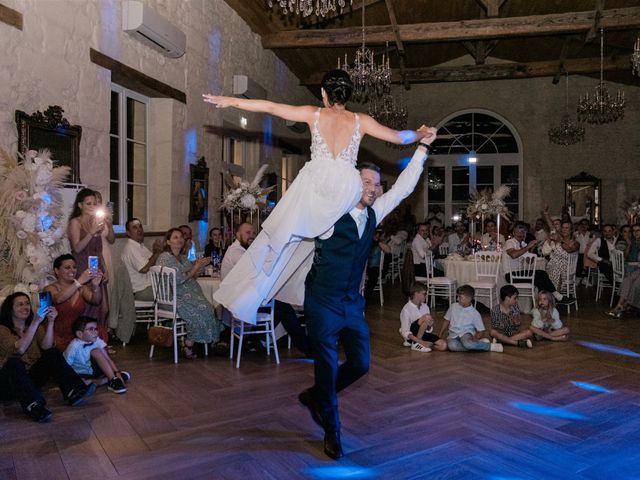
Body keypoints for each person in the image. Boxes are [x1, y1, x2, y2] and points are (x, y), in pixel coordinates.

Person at [204, 69, 437, 325]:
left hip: (316, 184)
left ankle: (260, 286)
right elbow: (398, 137)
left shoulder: (313, 113)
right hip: (346, 185)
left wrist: (231, 101)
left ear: (324, 94)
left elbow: (271, 107)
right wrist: (421, 134)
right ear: (348, 95)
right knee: (328, 231)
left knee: (285, 239)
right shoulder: (360, 120)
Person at [298, 141, 436, 459]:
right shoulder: (330, 215)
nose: (372, 189)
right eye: (366, 183)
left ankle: (317, 395)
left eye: (376, 184)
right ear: (351, 183)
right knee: (328, 366)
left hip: (351, 304)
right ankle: (332, 431)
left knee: (361, 364)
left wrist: (422, 150)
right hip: (321, 302)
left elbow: (402, 188)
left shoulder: (374, 215)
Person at [0, 292, 96, 423]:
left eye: (27, 303)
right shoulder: (2, 329)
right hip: (8, 383)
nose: (25, 307)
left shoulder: (35, 326)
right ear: (10, 309)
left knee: (52, 353)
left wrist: (50, 322)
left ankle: (73, 391)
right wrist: (35, 322)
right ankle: (34, 406)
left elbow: (47, 346)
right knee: (14, 362)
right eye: (20, 304)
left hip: (30, 379)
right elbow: (19, 349)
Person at [157, 228, 226, 359]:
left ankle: (212, 341)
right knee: (204, 308)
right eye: (175, 237)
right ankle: (189, 343)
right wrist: (195, 267)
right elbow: (178, 280)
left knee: (209, 307)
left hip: (189, 294)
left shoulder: (183, 257)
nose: (179, 239)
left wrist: (200, 267)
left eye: (181, 237)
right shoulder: (165, 258)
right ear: (168, 242)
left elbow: (191, 276)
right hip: (175, 297)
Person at [67, 188, 110, 342]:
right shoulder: (75, 222)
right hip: (82, 265)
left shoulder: (96, 222)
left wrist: (104, 269)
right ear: (80, 205)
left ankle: (100, 340)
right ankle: (85, 340)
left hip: (96, 265)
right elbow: (76, 248)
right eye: (88, 203)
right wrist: (91, 232)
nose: (92, 206)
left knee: (104, 308)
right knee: (88, 305)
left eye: (94, 203)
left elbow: (99, 250)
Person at [44, 254, 104, 352]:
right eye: (67, 267)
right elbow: (59, 299)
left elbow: (96, 301)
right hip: (56, 334)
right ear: (56, 271)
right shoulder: (49, 288)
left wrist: (95, 286)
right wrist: (79, 281)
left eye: (74, 267)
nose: (72, 270)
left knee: (99, 336)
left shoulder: (81, 288)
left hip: (77, 333)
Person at [502, 223, 572, 305]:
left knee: (540, 279)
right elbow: (513, 255)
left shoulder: (522, 244)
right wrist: (528, 246)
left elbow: (529, 261)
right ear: (514, 233)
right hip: (510, 275)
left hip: (519, 273)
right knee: (541, 274)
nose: (521, 234)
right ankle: (555, 297)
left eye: (523, 232)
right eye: (518, 232)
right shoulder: (510, 242)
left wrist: (532, 247)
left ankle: (544, 302)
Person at [64, 316, 130, 393]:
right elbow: (65, 365)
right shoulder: (73, 346)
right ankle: (107, 379)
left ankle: (113, 379)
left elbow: (107, 359)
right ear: (80, 334)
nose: (96, 332)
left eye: (96, 329)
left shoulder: (96, 340)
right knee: (82, 383)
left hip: (96, 370)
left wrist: (117, 372)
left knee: (96, 351)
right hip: (82, 373)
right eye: (91, 329)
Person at [439, 285, 504, 353]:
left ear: (469, 299)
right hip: (453, 335)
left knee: (467, 343)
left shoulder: (475, 313)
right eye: (457, 296)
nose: (457, 299)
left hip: (466, 334)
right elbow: (446, 320)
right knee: (452, 346)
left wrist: (475, 338)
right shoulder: (453, 307)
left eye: (460, 297)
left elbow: (481, 330)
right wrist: (440, 334)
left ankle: (490, 346)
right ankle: (477, 345)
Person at [121, 218, 164, 302]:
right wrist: (157, 252)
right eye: (134, 227)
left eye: (140, 226)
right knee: (173, 292)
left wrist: (156, 251)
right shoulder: (131, 248)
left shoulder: (140, 246)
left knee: (175, 287)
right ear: (128, 233)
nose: (139, 229)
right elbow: (144, 269)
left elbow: (152, 262)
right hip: (141, 290)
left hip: (150, 286)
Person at [399, 283, 447, 352]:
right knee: (427, 317)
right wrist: (422, 342)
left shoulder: (425, 307)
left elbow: (427, 329)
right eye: (424, 294)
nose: (426, 296)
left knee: (443, 346)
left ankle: (423, 345)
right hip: (411, 337)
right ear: (416, 293)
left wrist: (430, 326)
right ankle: (416, 343)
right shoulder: (406, 309)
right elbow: (405, 332)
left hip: (423, 334)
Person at [363, 229, 391, 302]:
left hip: (373, 267)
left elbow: (388, 250)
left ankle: (365, 297)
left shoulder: (378, 244)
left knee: (373, 275)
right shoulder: (367, 241)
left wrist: (378, 242)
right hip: (364, 267)